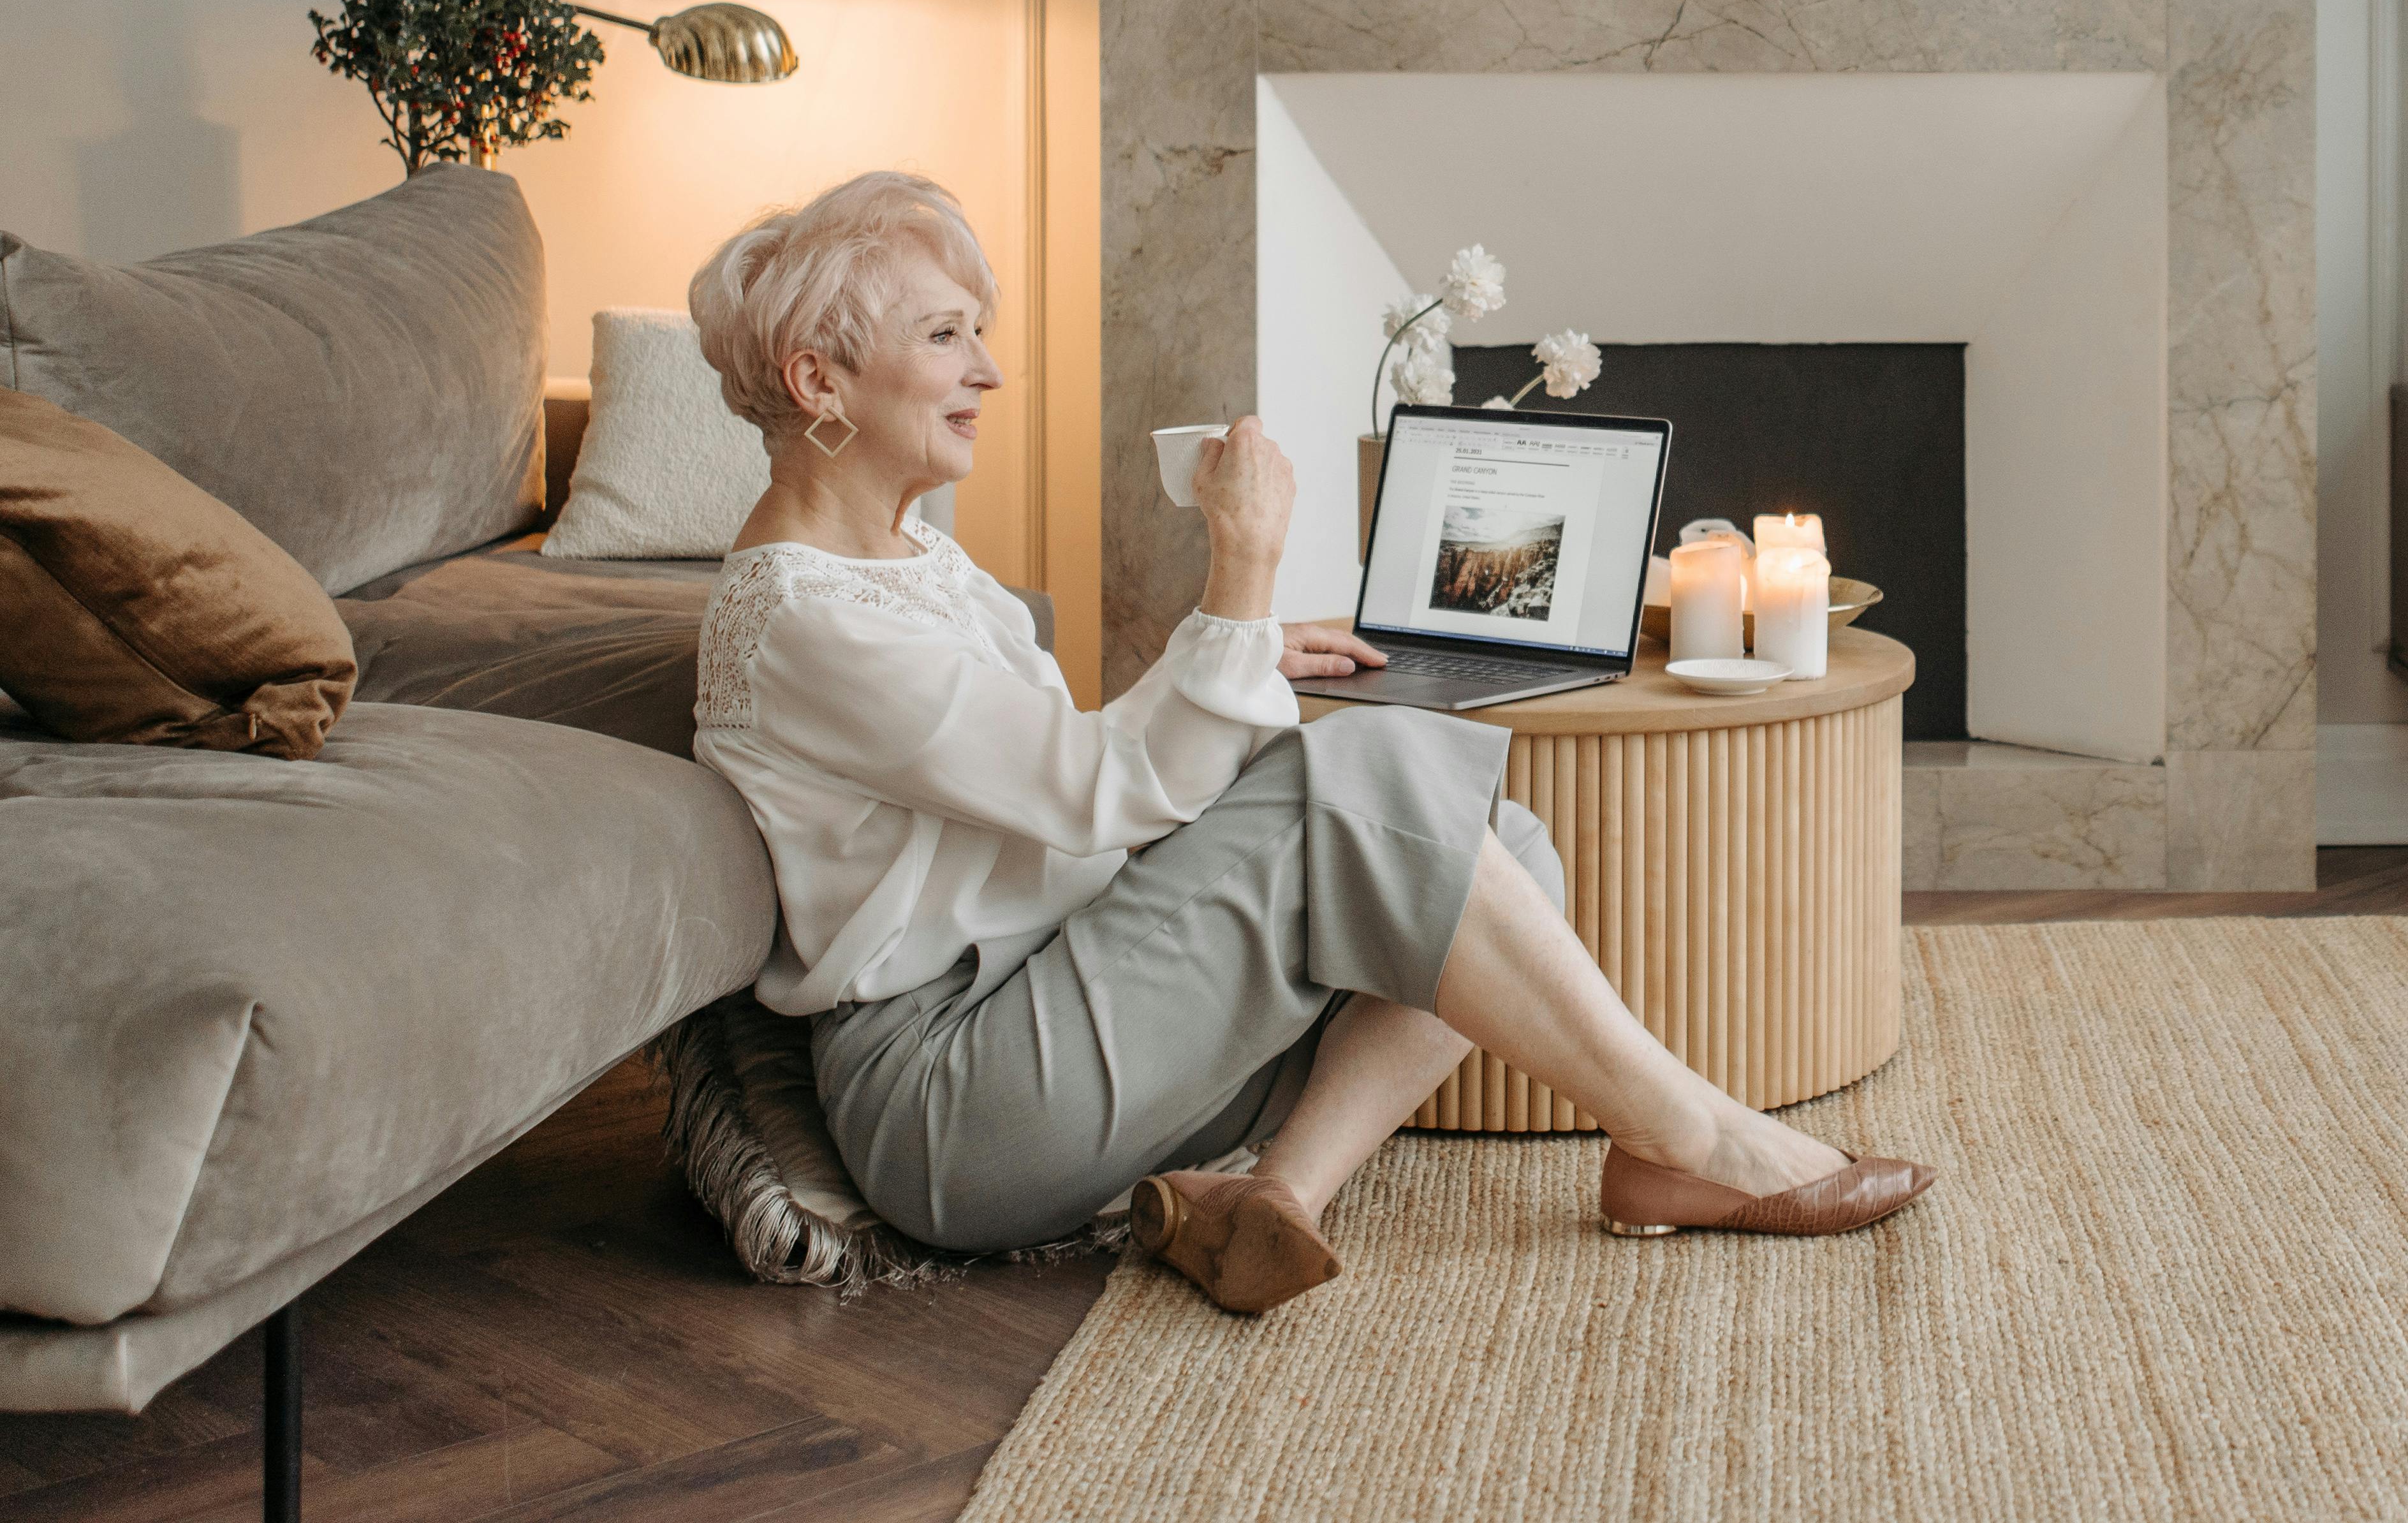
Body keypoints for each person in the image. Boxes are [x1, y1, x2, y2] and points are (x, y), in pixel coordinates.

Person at [684, 172, 1931, 1314]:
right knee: (1383, 767)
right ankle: (1690, 1140)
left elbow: (1050, 780)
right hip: (958, 1099)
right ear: (818, 383)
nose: (987, 372)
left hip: (1050, 1011)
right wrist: (1239, 569)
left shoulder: (906, 567)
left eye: (977, 333)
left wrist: (1233, 651)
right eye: (943, 336)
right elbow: (1093, 795)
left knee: (1497, 840)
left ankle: (1272, 1197)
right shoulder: (807, 616)